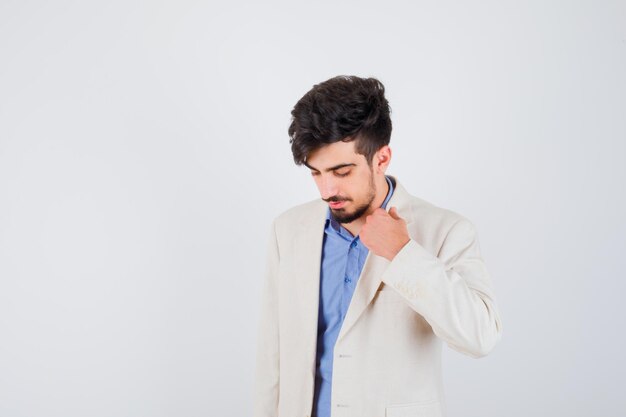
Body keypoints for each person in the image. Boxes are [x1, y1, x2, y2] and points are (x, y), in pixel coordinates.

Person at [253, 75, 502, 417]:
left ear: (381, 158)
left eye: (342, 172)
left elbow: (480, 337)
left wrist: (404, 254)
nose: (327, 190)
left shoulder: (446, 230)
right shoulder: (288, 230)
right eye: (316, 173)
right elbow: (272, 359)